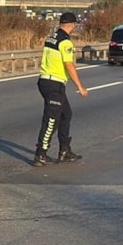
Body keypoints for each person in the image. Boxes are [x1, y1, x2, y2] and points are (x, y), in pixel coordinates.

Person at [33, 12, 89, 166]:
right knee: (51, 120)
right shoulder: (65, 42)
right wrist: (80, 87)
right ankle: (41, 154)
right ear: (72, 25)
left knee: (66, 115)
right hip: (53, 83)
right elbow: (69, 65)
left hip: (47, 81)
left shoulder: (52, 37)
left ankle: (65, 150)